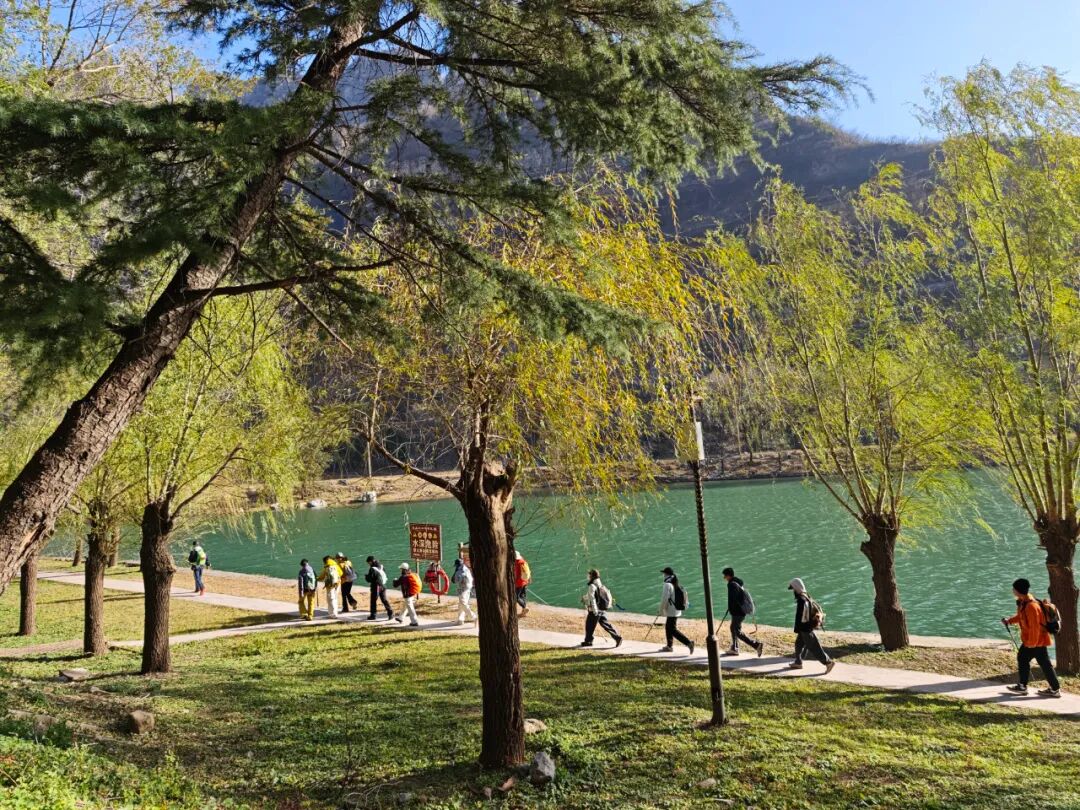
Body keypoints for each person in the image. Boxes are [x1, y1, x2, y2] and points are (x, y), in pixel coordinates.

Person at [1003, 578, 1061, 698]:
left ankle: (1022, 687)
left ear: (1018, 590)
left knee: (1022, 658)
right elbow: (1021, 617)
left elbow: (1035, 627)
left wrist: (1031, 644)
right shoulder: (1024, 602)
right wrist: (1009, 621)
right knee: (1045, 664)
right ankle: (1055, 689)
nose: (1012, 590)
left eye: (1014, 588)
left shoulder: (1031, 606)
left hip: (1035, 641)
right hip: (1038, 641)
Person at [788, 578, 834, 674]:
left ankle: (828, 662)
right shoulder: (806, 596)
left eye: (793, 589)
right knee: (798, 644)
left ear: (797, 588)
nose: (793, 591)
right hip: (804, 628)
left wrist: (798, 628)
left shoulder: (801, 600)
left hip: (805, 629)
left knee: (815, 648)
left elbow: (801, 616)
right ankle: (798, 662)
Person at [723, 567, 764, 657]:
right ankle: (735, 648)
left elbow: (734, 598)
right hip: (741, 611)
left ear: (728, 575)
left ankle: (756, 645)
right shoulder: (738, 583)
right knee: (733, 628)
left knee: (736, 631)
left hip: (737, 612)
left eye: (725, 576)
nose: (724, 578)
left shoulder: (731, 584)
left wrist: (731, 607)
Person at [579, 568, 622, 648]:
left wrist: (594, 611)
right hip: (601, 608)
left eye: (588, 575)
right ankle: (617, 637)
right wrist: (585, 598)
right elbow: (594, 595)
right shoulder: (600, 584)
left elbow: (593, 599)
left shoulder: (592, 586)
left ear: (591, 576)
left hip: (595, 610)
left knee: (589, 626)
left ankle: (588, 641)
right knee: (606, 624)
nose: (587, 576)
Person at [658, 567, 694, 654]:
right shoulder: (675, 583)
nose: (663, 575)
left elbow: (664, 599)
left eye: (664, 573)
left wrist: (661, 610)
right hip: (676, 610)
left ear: (666, 574)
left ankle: (688, 643)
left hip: (672, 611)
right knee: (668, 627)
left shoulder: (667, 585)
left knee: (672, 629)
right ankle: (669, 646)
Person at [365, 556, 394, 621]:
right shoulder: (381, 566)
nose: (368, 564)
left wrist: (366, 577)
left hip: (376, 586)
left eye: (369, 563)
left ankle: (373, 615)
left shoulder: (372, 569)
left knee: (373, 601)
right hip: (383, 586)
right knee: (384, 600)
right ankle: (390, 613)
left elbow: (370, 579)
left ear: (371, 561)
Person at [451, 557, 477, 625]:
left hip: (463, 589)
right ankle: (460, 620)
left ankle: (473, 616)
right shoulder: (466, 568)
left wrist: (455, 572)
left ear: (457, 565)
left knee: (463, 603)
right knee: (461, 604)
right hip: (469, 588)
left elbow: (454, 580)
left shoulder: (459, 571)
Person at [514, 551, 532, 618]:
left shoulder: (516, 563)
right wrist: (529, 578)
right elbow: (528, 570)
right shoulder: (523, 560)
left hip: (518, 583)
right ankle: (523, 611)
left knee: (516, 597)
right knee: (523, 595)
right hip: (525, 581)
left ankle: (524, 607)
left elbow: (516, 574)